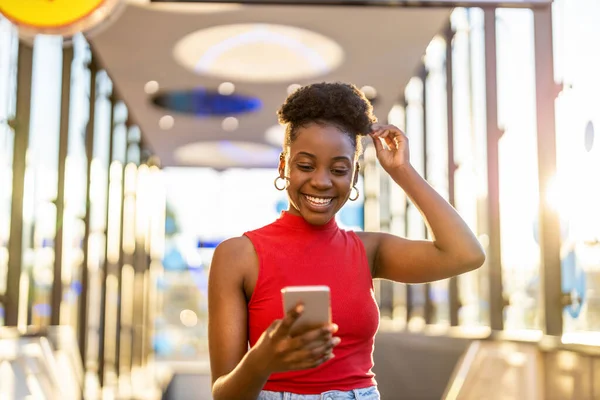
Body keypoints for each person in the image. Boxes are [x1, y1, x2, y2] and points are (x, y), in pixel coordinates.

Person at [208, 82, 485, 400]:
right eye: (305, 165)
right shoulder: (238, 256)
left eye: (339, 169)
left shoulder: (370, 251)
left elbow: (466, 254)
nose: (321, 181)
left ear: (354, 176)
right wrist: (261, 361)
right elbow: (223, 395)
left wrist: (402, 170)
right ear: (284, 166)